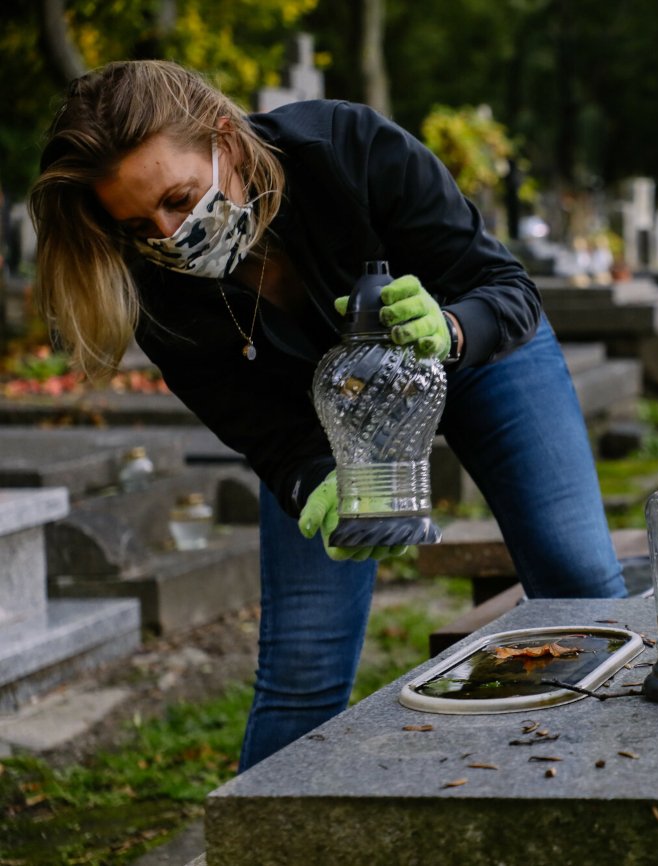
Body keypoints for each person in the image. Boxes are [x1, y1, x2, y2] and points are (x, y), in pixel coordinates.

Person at [30, 60, 626, 771]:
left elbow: (503, 286)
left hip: (471, 353)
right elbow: (265, 433)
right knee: (302, 661)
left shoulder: (347, 147)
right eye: (139, 224)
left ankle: (621, 774)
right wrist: (311, 481)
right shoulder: (158, 292)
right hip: (329, 421)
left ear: (225, 138)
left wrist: (452, 329)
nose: (169, 234)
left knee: (581, 579)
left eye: (181, 198)